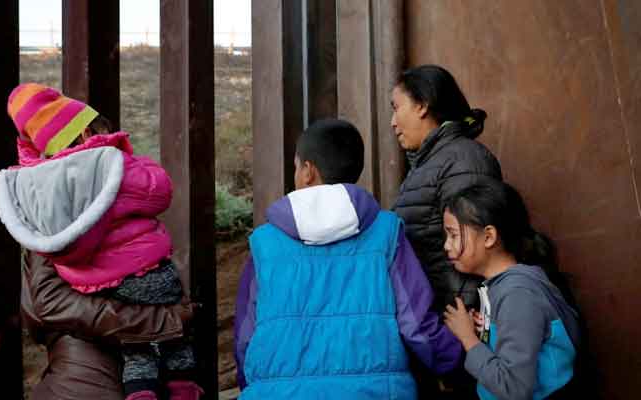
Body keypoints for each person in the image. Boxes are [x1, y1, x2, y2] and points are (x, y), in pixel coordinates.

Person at [0, 83, 201, 400]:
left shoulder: (67, 208)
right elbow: (51, 304)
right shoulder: (51, 212)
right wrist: (163, 320)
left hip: (91, 381)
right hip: (90, 384)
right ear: (86, 134)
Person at [234, 119, 462, 399]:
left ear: (308, 171)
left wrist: (254, 386)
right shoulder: (386, 232)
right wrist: (454, 361)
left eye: (296, 166)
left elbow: (245, 336)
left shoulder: (265, 242)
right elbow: (415, 323)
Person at [390, 65, 502, 398]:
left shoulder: (463, 160)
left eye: (396, 107)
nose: (393, 122)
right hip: (437, 332)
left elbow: (475, 254)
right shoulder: (428, 164)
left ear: (422, 105)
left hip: (456, 336)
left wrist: (455, 347)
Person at [442, 181, 581, 400]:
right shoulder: (500, 287)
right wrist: (484, 333)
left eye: (453, 235)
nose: (446, 245)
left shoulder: (518, 294)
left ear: (488, 237)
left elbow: (513, 389)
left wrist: (468, 339)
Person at [22, 250, 194, 400]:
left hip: (92, 371)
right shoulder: (55, 229)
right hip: (89, 366)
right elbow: (54, 303)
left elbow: (48, 308)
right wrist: (164, 320)